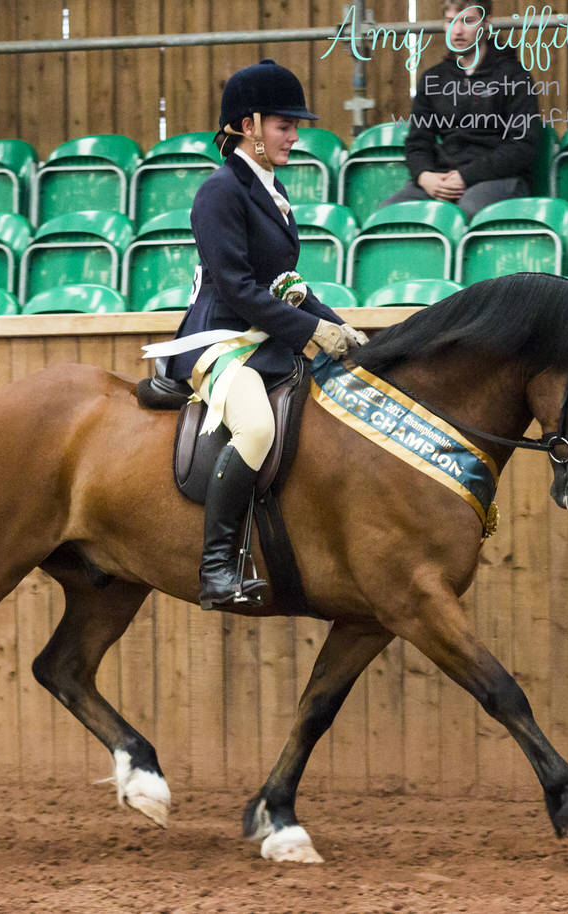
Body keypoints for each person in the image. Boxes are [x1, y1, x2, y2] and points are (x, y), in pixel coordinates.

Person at [152, 59, 366, 611]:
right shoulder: (219, 193)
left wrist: (340, 327)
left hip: (262, 339)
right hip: (219, 341)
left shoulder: (270, 190)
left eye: (293, 127)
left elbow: (285, 283)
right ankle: (217, 569)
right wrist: (311, 330)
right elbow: (241, 290)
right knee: (255, 428)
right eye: (283, 125)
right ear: (249, 125)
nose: (294, 136)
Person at [378, 1, 542, 218]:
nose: (458, 30)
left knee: (468, 208)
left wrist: (466, 175)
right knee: (388, 214)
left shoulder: (515, 76)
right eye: (450, 21)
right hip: (442, 179)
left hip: (500, 179)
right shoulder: (433, 79)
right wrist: (425, 176)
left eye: (468, 20)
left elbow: (522, 145)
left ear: (486, 23)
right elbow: (418, 143)